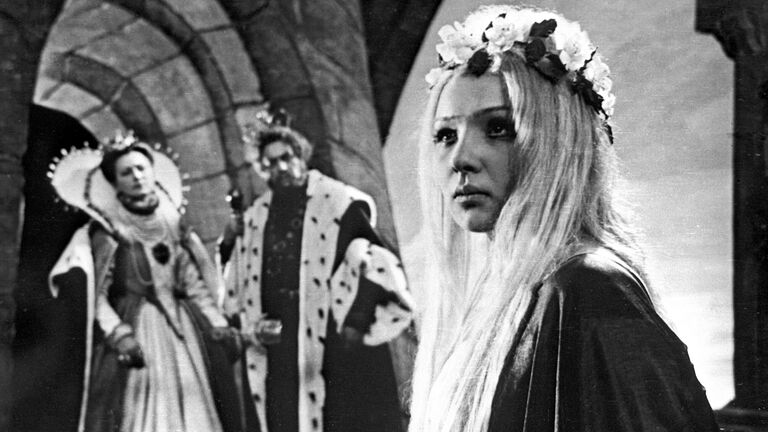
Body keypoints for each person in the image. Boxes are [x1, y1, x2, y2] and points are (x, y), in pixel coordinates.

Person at [409, 6, 719, 432]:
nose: (460, 158)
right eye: (446, 135)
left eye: (497, 128)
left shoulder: (590, 287)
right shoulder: (508, 296)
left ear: (557, 139)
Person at [218, 110, 414, 432]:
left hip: (331, 336)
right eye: (271, 163)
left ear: (300, 156)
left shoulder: (336, 201)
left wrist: (356, 322)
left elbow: (371, 261)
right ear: (262, 169)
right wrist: (229, 242)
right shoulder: (254, 217)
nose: (281, 167)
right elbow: (236, 283)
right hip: (280, 343)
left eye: (286, 157)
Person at [48, 131, 253, 432]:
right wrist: (119, 333)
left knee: (196, 405)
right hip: (139, 328)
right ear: (115, 182)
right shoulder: (109, 230)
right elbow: (97, 295)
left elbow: (192, 282)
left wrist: (216, 321)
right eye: (126, 172)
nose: (136, 177)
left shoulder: (171, 223)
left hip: (184, 330)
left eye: (141, 168)